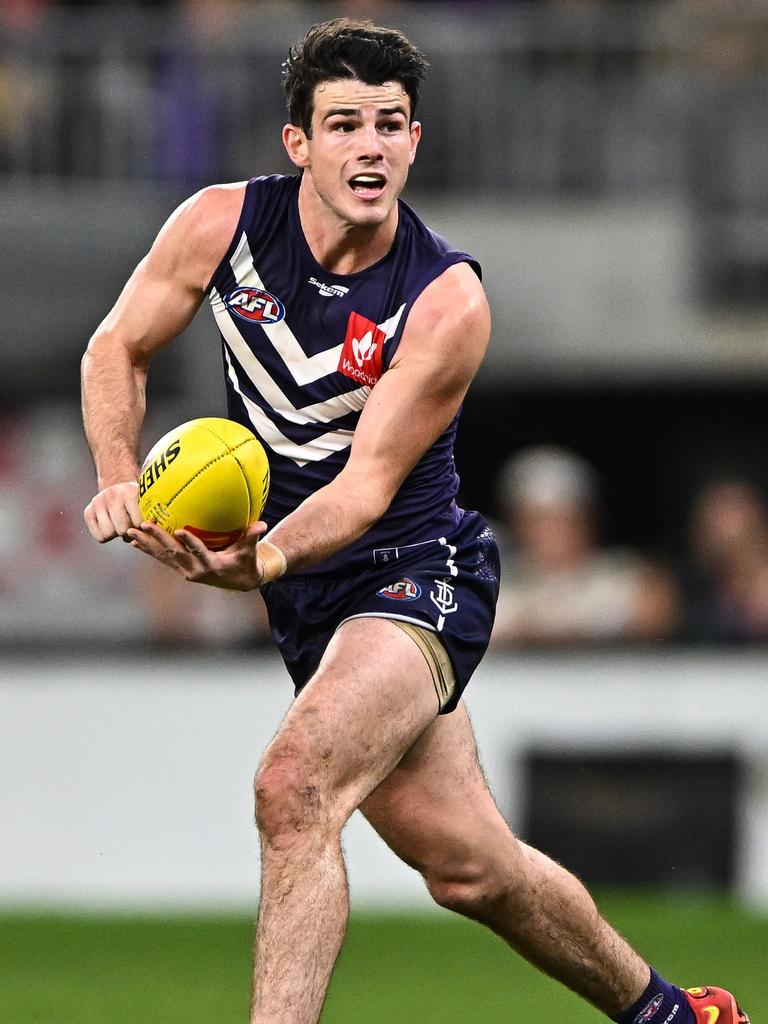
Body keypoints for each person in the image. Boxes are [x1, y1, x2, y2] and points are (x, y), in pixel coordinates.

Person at [81, 18, 749, 1024]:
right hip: (313, 596)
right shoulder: (219, 226)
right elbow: (115, 349)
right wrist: (117, 474)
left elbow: (360, 489)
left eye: (390, 124)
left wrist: (262, 557)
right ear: (297, 142)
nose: (371, 146)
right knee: (472, 869)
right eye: (344, 124)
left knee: (293, 786)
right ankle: (673, 1014)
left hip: (414, 569)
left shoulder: (445, 301)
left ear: (416, 142)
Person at [491, 446, 679, 647]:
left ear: (586, 522)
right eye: (536, 520)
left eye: (562, 519)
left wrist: (546, 627)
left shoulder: (617, 572)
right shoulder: (498, 580)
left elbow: (657, 613)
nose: (549, 532)